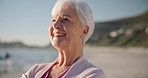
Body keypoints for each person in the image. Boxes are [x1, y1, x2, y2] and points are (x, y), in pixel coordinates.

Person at [21, 0, 106, 78]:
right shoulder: (35, 71)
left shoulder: (93, 74)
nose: (55, 25)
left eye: (65, 19)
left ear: (84, 31)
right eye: (53, 20)